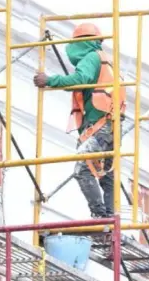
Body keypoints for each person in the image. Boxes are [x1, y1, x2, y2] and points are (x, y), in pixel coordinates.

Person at [33, 23, 125, 218]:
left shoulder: (91, 58)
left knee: (83, 169)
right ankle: (110, 219)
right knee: (107, 175)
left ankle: (99, 216)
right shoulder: (109, 63)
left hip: (99, 128)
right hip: (112, 129)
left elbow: (80, 78)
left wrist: (50, 80)